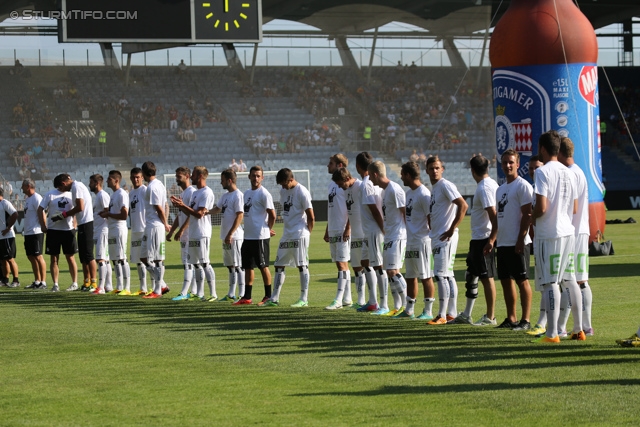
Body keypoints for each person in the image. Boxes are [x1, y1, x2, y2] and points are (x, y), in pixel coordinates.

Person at [532, 130, 583, 343]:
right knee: (570, 280)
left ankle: (552, 333)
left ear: (543, 149)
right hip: (568, 232)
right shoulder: (569, 171)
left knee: (551, 283)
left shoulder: (542, 172)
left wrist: (529, 217)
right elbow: (574, 207)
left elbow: (542, 207)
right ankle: (578, 329)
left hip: (549, 234)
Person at [449, 155, 499, 325]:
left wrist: (491, 239)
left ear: (472, 170)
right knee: (472, 276)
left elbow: (494, 216)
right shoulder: (490, 184)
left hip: (483, 238)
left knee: (487, 277)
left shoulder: (485, 188)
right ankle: (467, 315)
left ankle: (490, 317)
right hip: (478, 238)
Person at [425, 156, 468, 325]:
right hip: (438, 235)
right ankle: (451, 313)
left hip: (446, 236)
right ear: (426, 170)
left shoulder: (445, 185)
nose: (434, 171)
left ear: (442, 169)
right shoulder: (435, 188)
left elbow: (463, 205)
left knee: (440, 275)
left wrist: (451, 228)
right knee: (448, 275)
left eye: (437, 168)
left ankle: (441, 315)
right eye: (431, 168)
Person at [263, 168, 314, 307]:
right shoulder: (283, 191)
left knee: (302, 265)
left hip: (299, 233)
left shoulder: (302, 191)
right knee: (279, 264)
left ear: (291, 180)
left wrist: (307, 233)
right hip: (287, 234)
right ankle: (274, 298)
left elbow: (311, 216)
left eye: (284, 183)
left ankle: (304, 299)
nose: (283, 186)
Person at [494, 150, 533, 330]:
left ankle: (525, 320)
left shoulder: (523, 186)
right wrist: (492, 239)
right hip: (502, 242)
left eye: (511, 162)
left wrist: (521, 238)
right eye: (504, 163)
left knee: (522, 280)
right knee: (505, 280)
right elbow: (499, 217)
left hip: (518, 243)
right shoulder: (500, 189)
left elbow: (527, 214)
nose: (507, 166)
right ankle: (511, 318)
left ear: (518, 164)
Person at [557, 137, 593, 336]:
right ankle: (586, 326)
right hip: (582, 229)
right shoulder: (579, 172)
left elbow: (573, 206)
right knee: (581, 280)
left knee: (568, 281)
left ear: (560, 153)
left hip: (573, 231)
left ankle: (561, 327)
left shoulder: (569, 174)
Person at [367, 160, 408, 317]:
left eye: (370, 176)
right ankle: (397, 305)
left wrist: (406, 236)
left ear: (376, 174)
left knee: (392, 270)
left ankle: (407, 305)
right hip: (390, 235)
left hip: (398, 235)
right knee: (389, 270)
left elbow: (405, 213)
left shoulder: (395, 190)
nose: (369, 179)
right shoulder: (385, 191)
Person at [170, 166, 216, 301]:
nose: (192, 177)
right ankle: (199, 293)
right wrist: (180, 206)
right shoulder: (196, 193)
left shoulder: (206, 193)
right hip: (194, 232)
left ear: (200, 176)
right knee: (195, 264)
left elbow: (200, 214)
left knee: (205, 263)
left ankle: (213, 294)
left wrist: (183, 206)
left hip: (203, 232)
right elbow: (191, 213)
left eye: (194, 175)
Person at [398, 161, 436, 320]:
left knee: (426, 276)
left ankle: (428, 311)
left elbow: (431, 219)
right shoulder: (409, 194)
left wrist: (428, 238)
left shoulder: (424, 194)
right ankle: (409, 309)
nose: (401, 178)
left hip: (422, 241)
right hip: (411, 240)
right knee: (410, 275)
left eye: (402, 175)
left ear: (407, 175)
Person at [233, 166, 276, 306]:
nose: (255, 178)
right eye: (253, 175)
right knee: (248, 267)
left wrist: (268, 229)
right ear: (249, 177)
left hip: (260, 237)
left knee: (263, 266)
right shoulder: (246, 194)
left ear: (262, 178)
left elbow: (272, 214)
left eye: (258, 176)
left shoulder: (264, 194)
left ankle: (268, 296)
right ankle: (247, 297)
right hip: (248, 236)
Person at [331, 167, 368, 309]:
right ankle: (360, 301)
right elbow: (350, 212)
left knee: (369, 268)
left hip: (364, 234)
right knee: (357, 268)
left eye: (340, 183)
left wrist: (348, 228)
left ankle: (372, 301)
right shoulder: (346, 190)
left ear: (347, 178)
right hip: (355, 235)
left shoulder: (360, 187)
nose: (339, 187)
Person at [355, 152, 385, 313]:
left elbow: (374, 210)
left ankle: (383, 303)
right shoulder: (371, 182)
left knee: (379, 266)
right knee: (365, 263)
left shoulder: (366, 184)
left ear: (357, 166)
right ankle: (372, 301)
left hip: (374, 230)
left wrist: (382, 228)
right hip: (368, 230)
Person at [55, 174, 96, 291]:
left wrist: (65, 214)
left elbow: (80, 207)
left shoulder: (77, 187)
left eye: (61, 188)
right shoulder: (75, 187)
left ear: (63, 184)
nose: (62, 191)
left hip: (86, 222)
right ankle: (86, 282)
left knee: (88, 255)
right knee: (83, 256)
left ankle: (94, 282)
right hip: (82, 223)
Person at [37, 174, 78, 292]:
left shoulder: (72, 193)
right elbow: (40, 209)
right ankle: (55, 284)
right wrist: (43, 225)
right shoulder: (50, 194)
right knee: (54, 259)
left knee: (70, 258)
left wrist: (74, 225)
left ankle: (74, 283)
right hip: (53, 231)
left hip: (68, 230)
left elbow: (77, 209)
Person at [210, 169, 245, 302]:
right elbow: (218, 209)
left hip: (235, 237)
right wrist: (205, 212)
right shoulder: (225, 196)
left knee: (238, 265)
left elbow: (240, 215)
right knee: (230, 266)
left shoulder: (238, 195)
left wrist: (230, 233)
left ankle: (242, 294)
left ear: (229, 181)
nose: (221, 182)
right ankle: (231, 294)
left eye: (223, 180)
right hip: (225, 236)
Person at [324, 154, 352, 310]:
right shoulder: (331, 185)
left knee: (342, 264)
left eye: (331, 163)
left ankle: (338, 300)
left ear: (340, 165)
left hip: (343, 229)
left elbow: (351, 207)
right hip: (334, 228)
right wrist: (328, 229)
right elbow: (332, 208)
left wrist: (348, 227)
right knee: (340, 264)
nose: (328, 166)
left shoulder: (346, 184)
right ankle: (347, 298)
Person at [140, 161, 171, 299]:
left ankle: (157, 290)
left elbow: (159, 207)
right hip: (150, 225)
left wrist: (165, 223)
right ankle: (162, 284)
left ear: (144, 173)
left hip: (155, 225)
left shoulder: (153, 187)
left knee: (158, 259)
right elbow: (165, 205)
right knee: (143, 257)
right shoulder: (159, 185)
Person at [98, 171, 131, 295]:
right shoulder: (113, 195)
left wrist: (108, 214)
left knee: (122, 258)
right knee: (115, 259)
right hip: (112, 228)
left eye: (109, 179)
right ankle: (119, 286)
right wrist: (106, 215)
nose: (107, 181)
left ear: (116, 180)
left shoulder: (122, 194)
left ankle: (126, 287)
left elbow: (124, 215)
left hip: (119, 228)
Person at [167, 167, 197, 300]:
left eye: (179, 176)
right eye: (176, 176)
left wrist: (181, 231)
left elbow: (192, 215)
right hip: (185, 234)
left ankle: (184, 292)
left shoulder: (191, 193)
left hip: (190, 233)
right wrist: (172, 231)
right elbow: (180, 215)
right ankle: (194, 291)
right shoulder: (183, 193)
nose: (177, 179)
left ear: (187, 176)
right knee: (189, 262)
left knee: (188, 263)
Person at [89, 174, 113, 294]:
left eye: (91, 182)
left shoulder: (103, 195)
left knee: (101, 259)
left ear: (96, 183)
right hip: (99, 229)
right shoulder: (98, 196)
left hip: (103, 230)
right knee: (105, 259)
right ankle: (108, 285)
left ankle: (101, 287)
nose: (89, 185)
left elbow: (108, 210)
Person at [21, 179, 47, 289]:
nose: (21, 188)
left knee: (38, 256)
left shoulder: (37, 198)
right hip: (28, 232)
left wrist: (44, 227)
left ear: (28, 186)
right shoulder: (28, 199)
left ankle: (43, 281)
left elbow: (42, 213)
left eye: (23, 186)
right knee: (31, 256)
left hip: (36, 231)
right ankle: (37, 280)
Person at [128, 168, 148, 295]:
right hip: (135, 229)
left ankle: (155, 286)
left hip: (144, 228)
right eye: (133, 177)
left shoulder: (145, 190)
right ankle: (143, 287)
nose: (135, 179)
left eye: (138, 177)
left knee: (147, 259)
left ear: (142, 178)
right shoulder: (130, 193)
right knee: (137, 261)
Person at [0, 187, 20, 288]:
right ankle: (5, 279)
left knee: (10, 258)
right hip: (0, 236)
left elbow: (15, 214)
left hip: (7, 236)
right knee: (3, 259)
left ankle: (16, 280)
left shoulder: (5, 203)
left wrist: (8, 228)